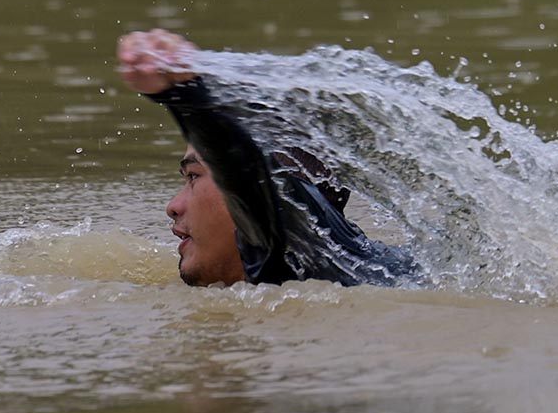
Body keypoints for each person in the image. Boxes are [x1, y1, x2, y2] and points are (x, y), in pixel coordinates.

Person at [117, 29, 419, 288]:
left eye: (195, 176)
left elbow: (245, 168)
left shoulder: (294, 255)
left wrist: (184, 93)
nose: (173, 206)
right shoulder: (370, 260)